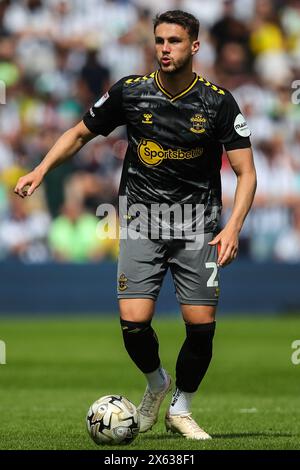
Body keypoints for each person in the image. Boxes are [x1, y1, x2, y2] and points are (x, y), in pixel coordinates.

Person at [14, 10, 257, 440]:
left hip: (197, 224)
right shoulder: (131, 92)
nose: (165, 49)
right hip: (142, 219)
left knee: (200, 326)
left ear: (194, 46)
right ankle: (156, 383)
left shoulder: (219, 102)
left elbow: (247, 172)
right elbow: (78, 133)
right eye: (160, 40)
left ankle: (181, 407)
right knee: (134, 322)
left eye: (175, 41)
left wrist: (233, 226)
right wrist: (40, 169)